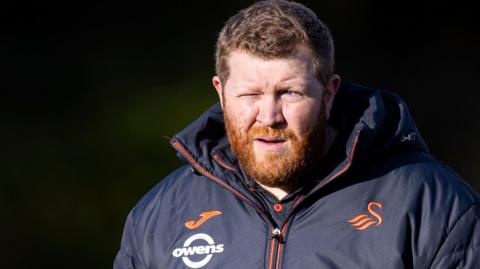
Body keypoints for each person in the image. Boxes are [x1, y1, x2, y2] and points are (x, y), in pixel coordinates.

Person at [114, 0, 480, 268]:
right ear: (220, 94)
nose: (269, 116)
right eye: (250, 94)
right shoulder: (160, 218)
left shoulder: (432, 207)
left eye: (290, 93)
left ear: (329, 93)